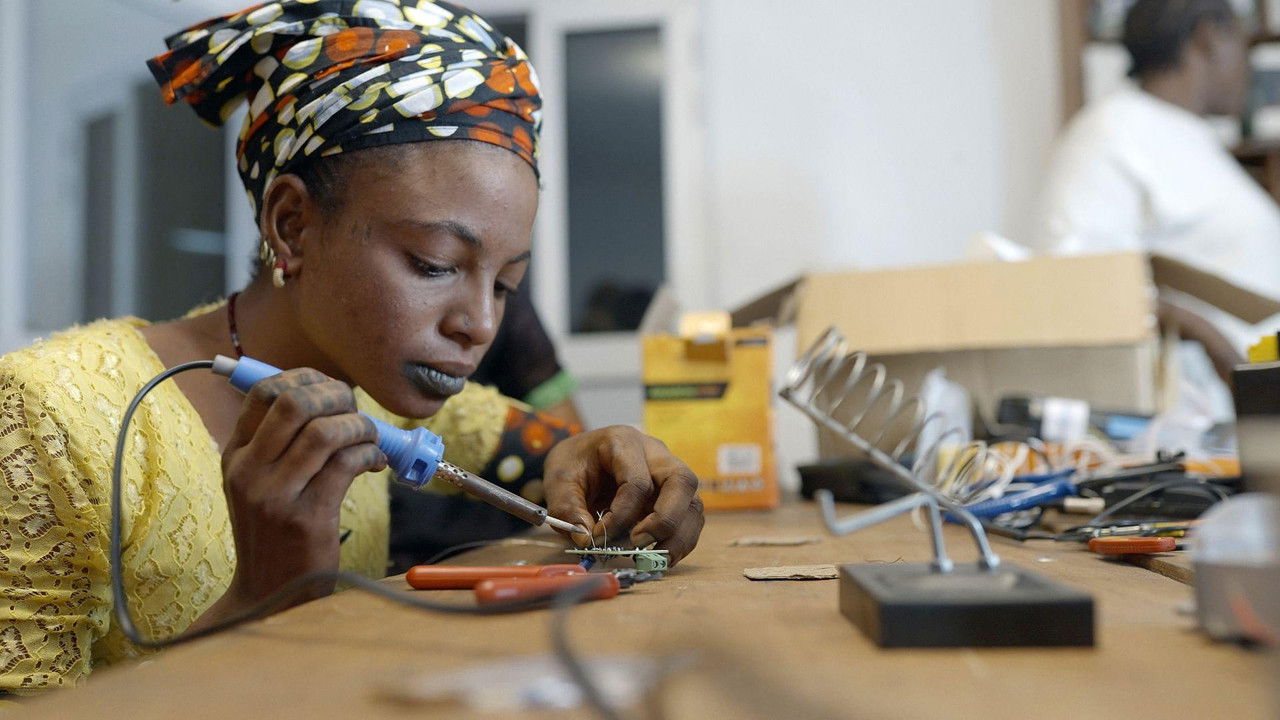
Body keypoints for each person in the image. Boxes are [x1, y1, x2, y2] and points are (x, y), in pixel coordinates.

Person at [0, 0, 703, 695]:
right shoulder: (48, 421)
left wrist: (598, 459)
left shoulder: (376, 396)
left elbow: (544, 449)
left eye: (506, 285)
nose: (480, 324)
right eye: (434, 263)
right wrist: (260, 597)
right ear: (292, 225)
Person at [1032, 0, 1280, 374]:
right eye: (1243, 48)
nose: (1247, 69)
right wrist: (1211, 340)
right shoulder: (1113, 131)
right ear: (1208, 38)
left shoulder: (1190, 136)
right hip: (1201, 411)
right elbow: (1074, 278)